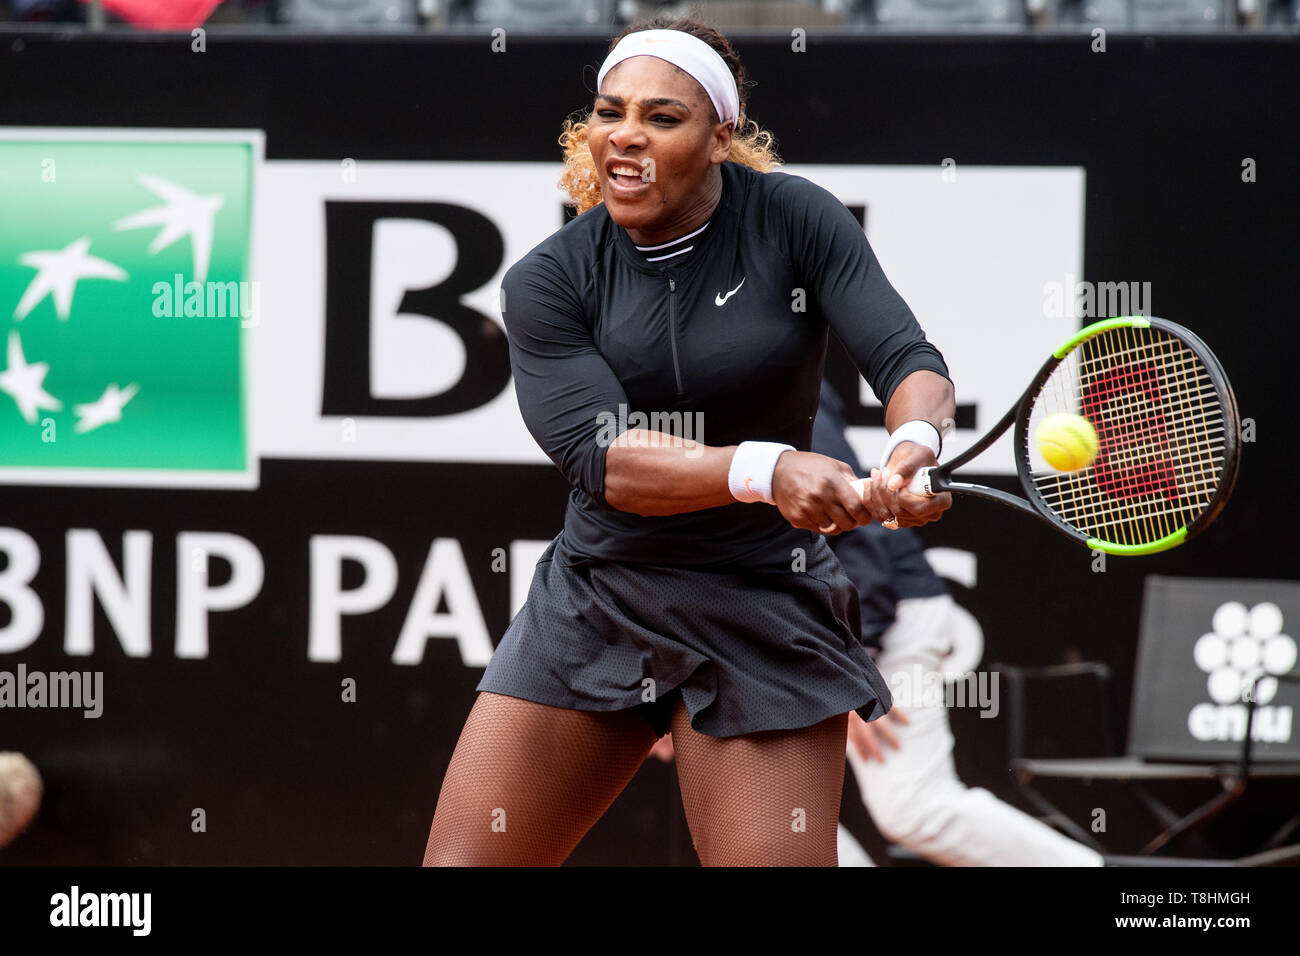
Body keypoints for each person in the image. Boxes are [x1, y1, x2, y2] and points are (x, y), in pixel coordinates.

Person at [422, 16, 955, 867]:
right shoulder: (547, 282)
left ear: (720, 136)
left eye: (663, 117)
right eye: (609, 111)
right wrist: (768, 469)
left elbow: (907, 359)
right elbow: (607, 459)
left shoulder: (796, 219)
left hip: (765, 603)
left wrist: (912, 445)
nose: (626, 134)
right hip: (599, 599)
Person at [813, 381, 1105, 866]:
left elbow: (860, 545)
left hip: (877, 618)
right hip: (788, 636)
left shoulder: (761, 377)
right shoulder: (661, 388)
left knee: (912, 810)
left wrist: (841, 669)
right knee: (754, 802)